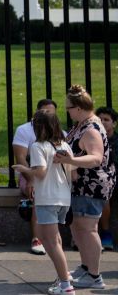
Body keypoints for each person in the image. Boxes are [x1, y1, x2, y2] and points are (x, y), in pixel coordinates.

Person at [12, 109, 76, 294]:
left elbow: (40, 172)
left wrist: (23, 168)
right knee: (54, 238)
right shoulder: (65, 145)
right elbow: (74, 174)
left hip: (47, 198)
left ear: (38, 127)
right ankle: (63, 277)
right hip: (63, 198)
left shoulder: (38, 146)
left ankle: (65, 285)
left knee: (51, 241)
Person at [58, 85, 114, 290]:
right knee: (78, 227)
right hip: (80, 185)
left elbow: (96, 158)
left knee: (88, 229)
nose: (68, 111)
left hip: (90, 186)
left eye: (69, 107)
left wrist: (71, 160)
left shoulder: (90, 129)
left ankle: (94, 275)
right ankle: (86, 266)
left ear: (79, 108)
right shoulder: (83, 124)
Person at [13, 98, 59, 255]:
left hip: (55, 176)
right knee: (39, 194)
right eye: (46, 112)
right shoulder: (24, 130)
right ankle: (37, 238)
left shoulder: (60, 132)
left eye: (52, 113)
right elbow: (20, 158)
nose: (49, 116)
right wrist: (30, 180)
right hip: (32, 175)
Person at [94, 105, 117, 250]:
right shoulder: (91, 138)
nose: (102, 122)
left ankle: (105, 233)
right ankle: (101, 233)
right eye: (100, 119)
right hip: (98, 180)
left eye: (106, 120)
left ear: (114, 123)